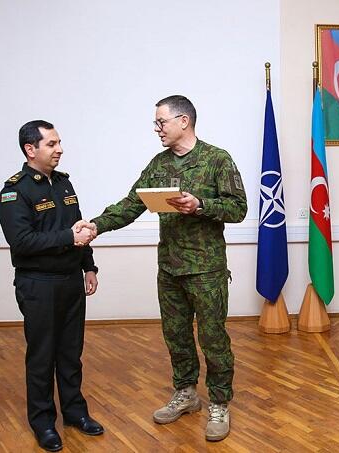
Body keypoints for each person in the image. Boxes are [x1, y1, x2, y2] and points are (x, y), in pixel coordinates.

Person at [85, 95, 247, 441]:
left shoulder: (217, 159)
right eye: (156, 123)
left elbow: (238, 209)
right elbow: (131, 205)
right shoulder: (158, 164)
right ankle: (186, 394)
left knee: (213, 338)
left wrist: (200, 205)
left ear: (183, 121)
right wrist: (96, 225)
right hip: (170, 269)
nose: (157, 129)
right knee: (176, 336)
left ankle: (219, 403)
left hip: (206, 270)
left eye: (162, 122)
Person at [0, 120, 104, 452]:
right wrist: (69, 237)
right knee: (42, 356)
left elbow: (79, 228)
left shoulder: (63, 183)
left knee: (71, 353)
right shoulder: (14, 192)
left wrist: (89, 266)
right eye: (51, 144)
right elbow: (22, 241)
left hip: (71, 281)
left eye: (59, 143)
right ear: (30, 149)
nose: (59, 149)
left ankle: (75, 412)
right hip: (38, 284)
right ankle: (42, 422)